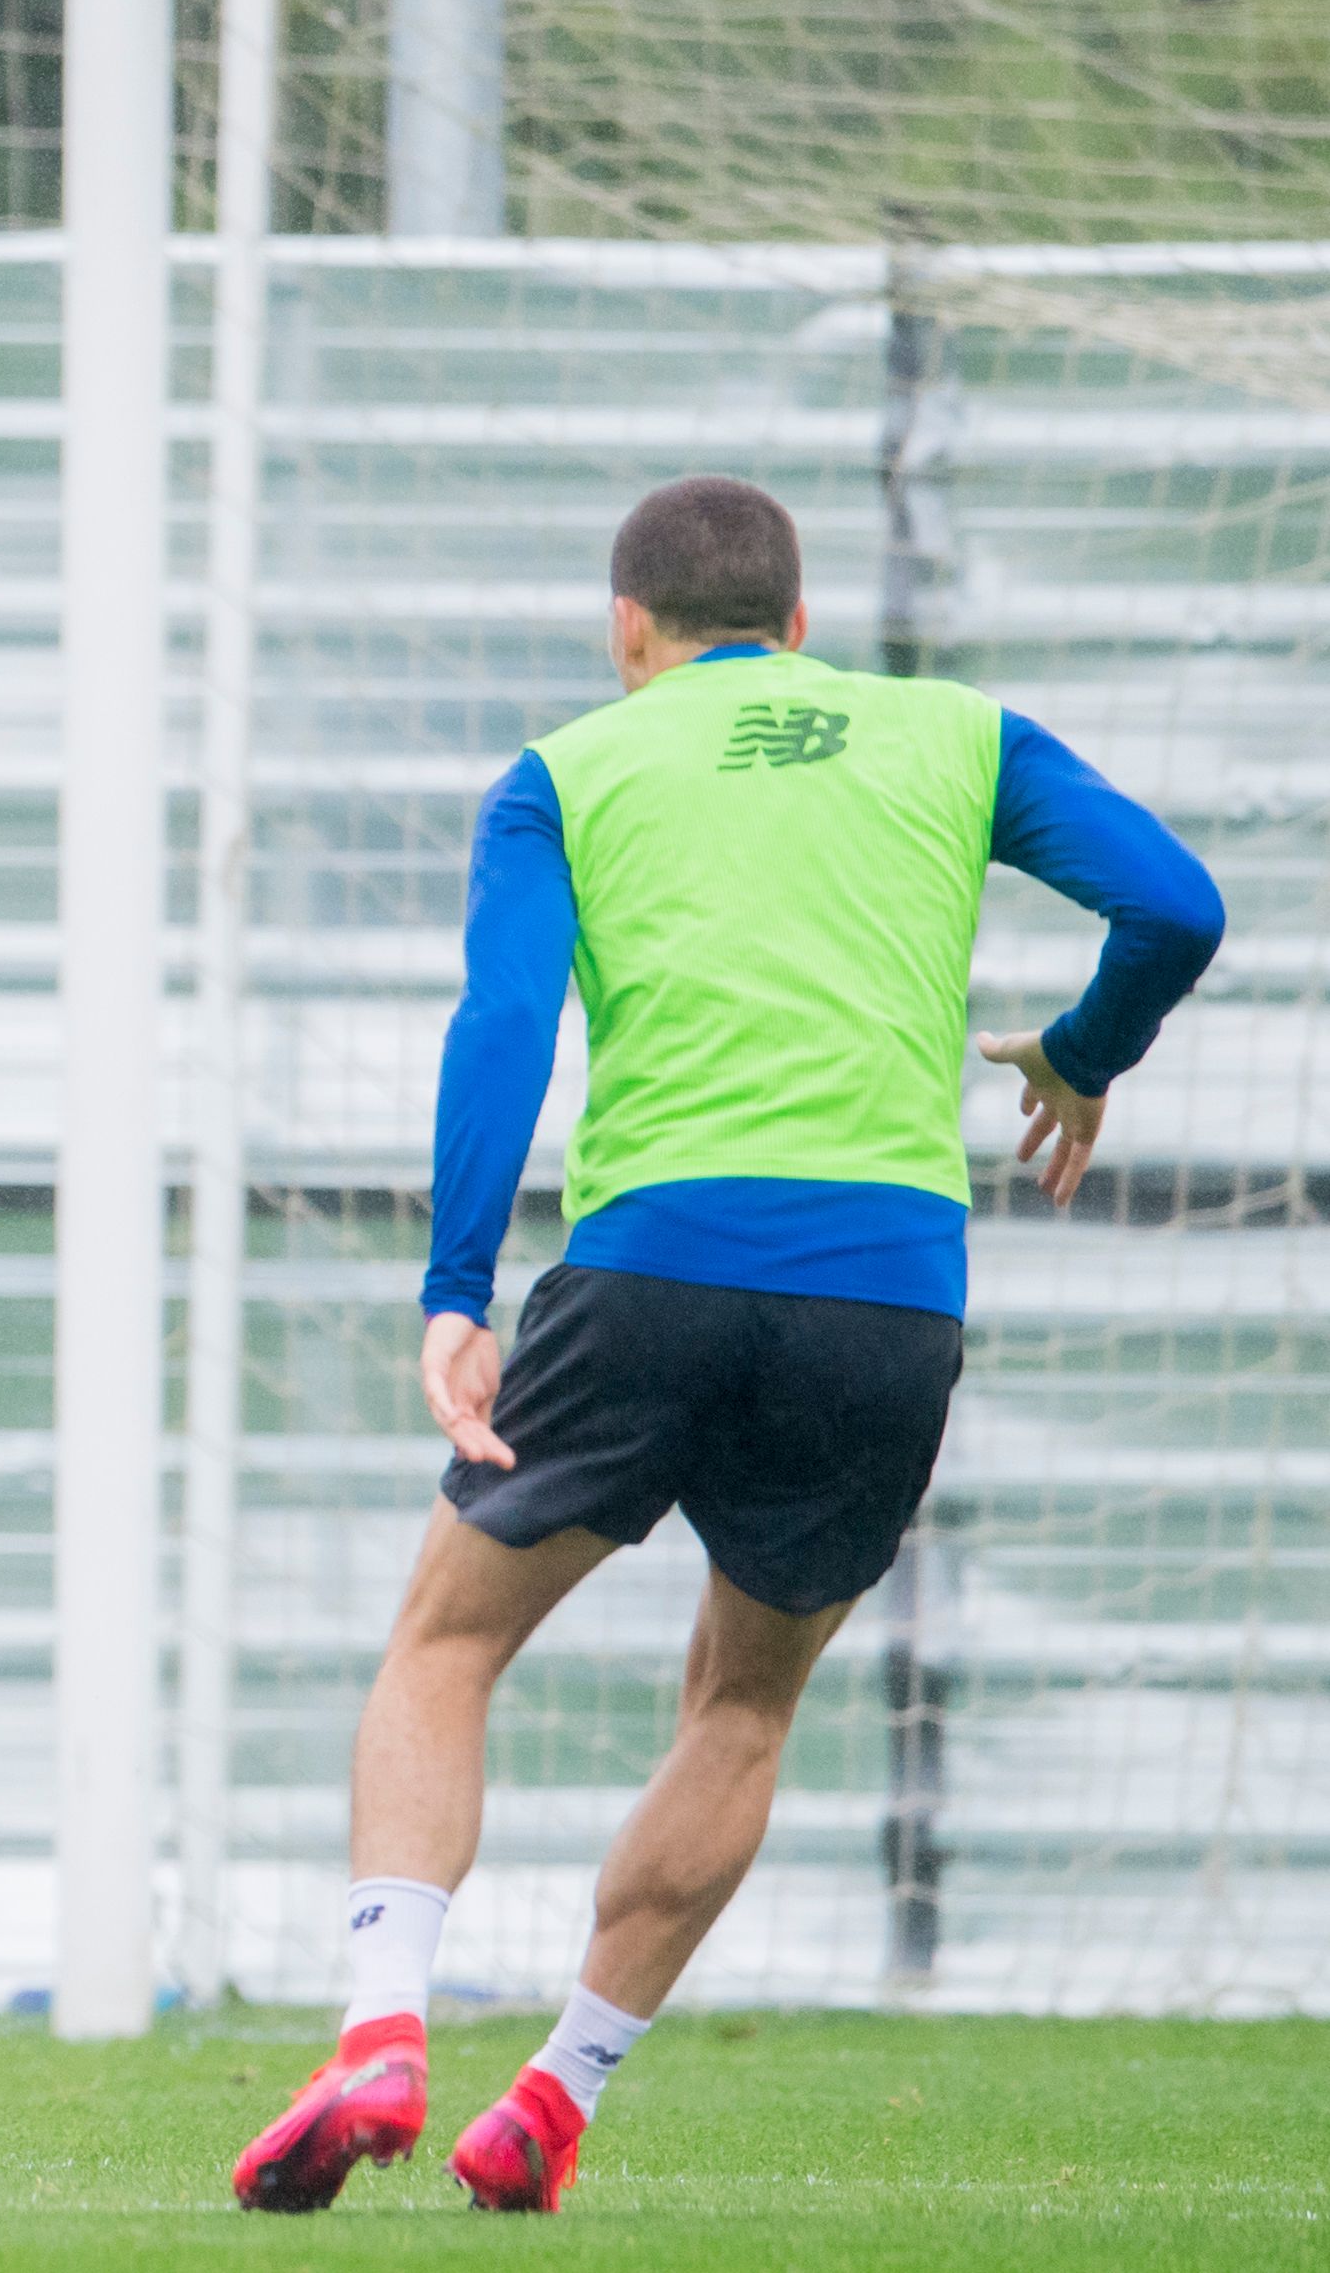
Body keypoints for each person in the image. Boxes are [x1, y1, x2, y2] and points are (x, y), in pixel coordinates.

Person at [231, 476, 1221, 2215]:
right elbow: (1177, 907)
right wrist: (1080, 1050)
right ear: (802, 620)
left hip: (651, 1271)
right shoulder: (954, 735)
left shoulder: (566, 771)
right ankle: (555, 2092)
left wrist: (454, 1289)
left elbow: (505, 1022)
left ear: (629, 633)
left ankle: (384, 2024)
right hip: (884, 1295)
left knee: (442, 1646)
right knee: (747, 1701)